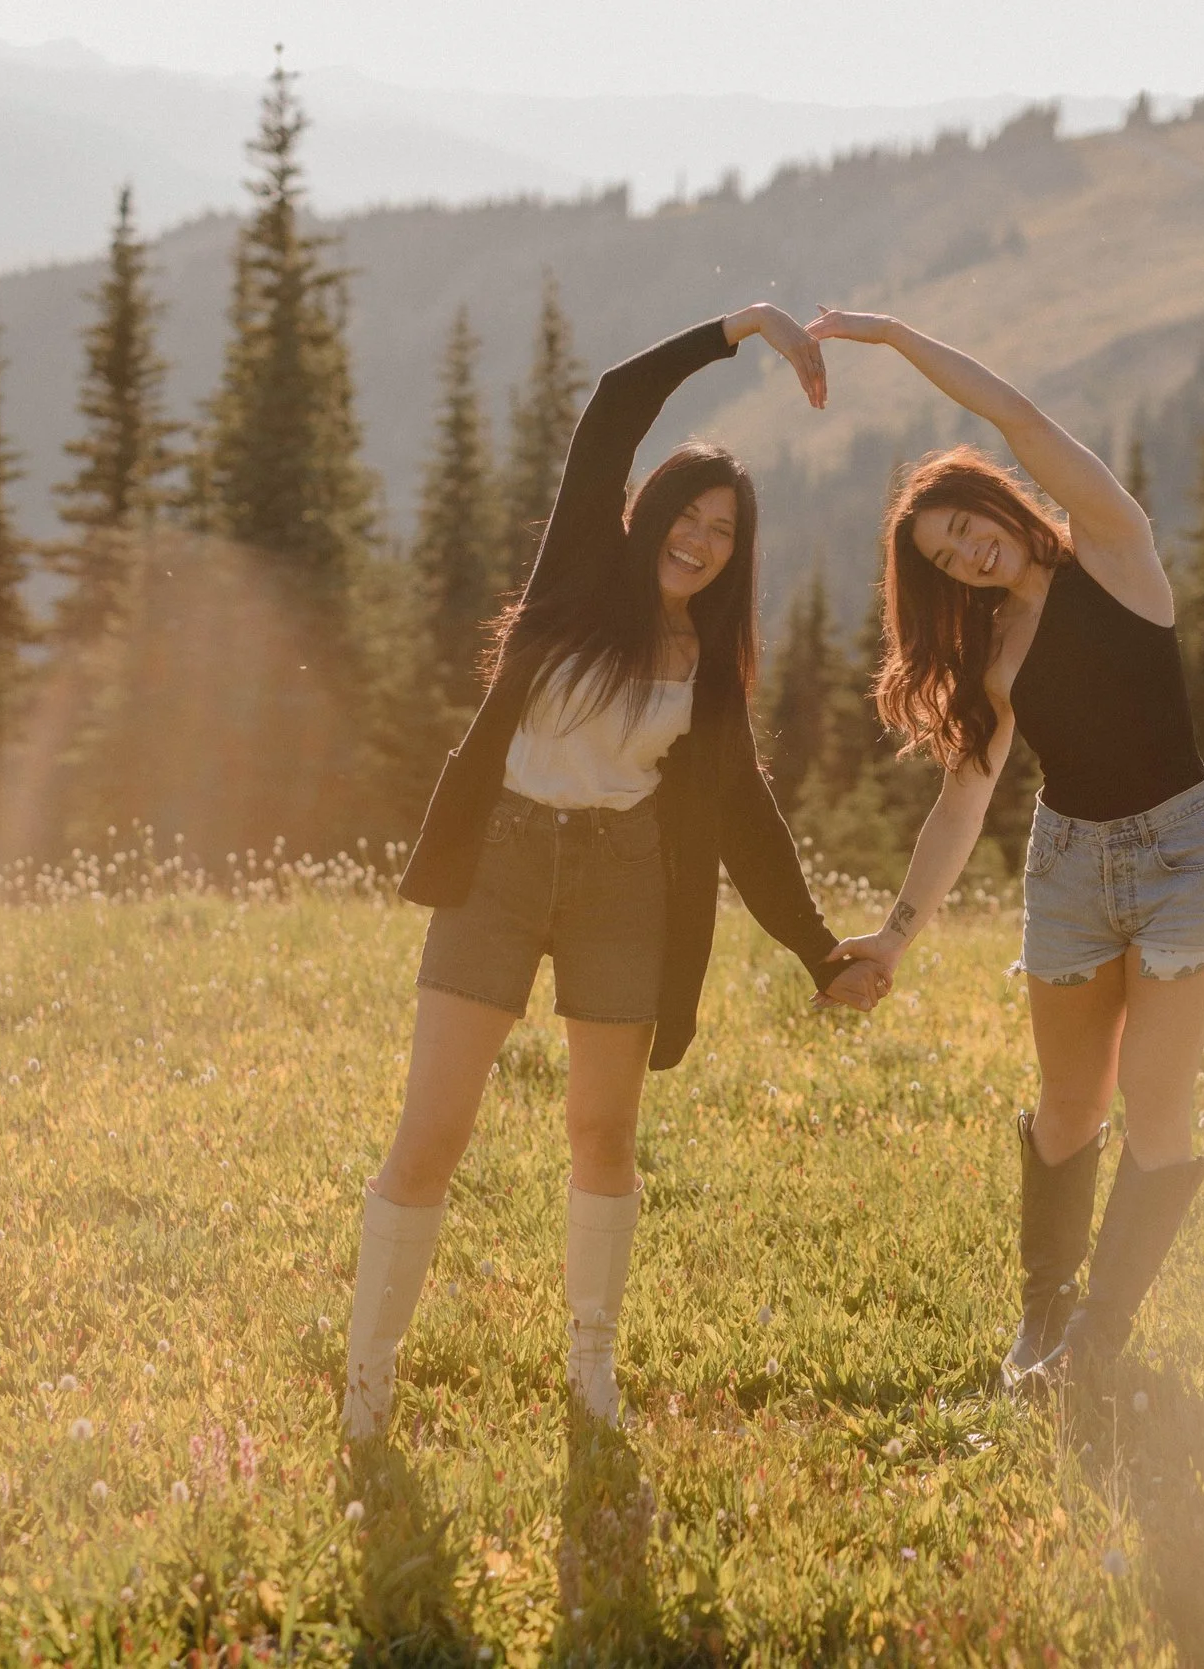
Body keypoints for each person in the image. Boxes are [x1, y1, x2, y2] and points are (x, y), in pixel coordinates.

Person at [343, 305, 886, 1441]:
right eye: (687, 514)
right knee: (431, 1134)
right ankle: (368, 1378)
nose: (699, 540)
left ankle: (591, 1366)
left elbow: (745, 817)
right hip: (499, 866)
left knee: (603, 1134)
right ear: (649, 512)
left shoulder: (707, 663)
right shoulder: (580, 573)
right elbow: (612, 407)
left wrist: (816, 949)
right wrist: (741, 328)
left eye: (723, 531)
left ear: (736, 554)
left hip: (622, 884)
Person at [808, 306, 1204, 1393]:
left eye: (964, 524)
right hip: (1068, 871)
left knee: (1155, 1102)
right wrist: (896, 936)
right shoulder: (998, 647)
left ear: (993, 499)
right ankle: (1043, 1315)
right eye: (944, 558)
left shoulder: (1112, 545)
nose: (967, 553)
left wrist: (897, 338)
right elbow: (962, 802)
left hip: (1185, 860)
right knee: (1068, 1105)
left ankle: (1092, 1347)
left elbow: (1017, 416)